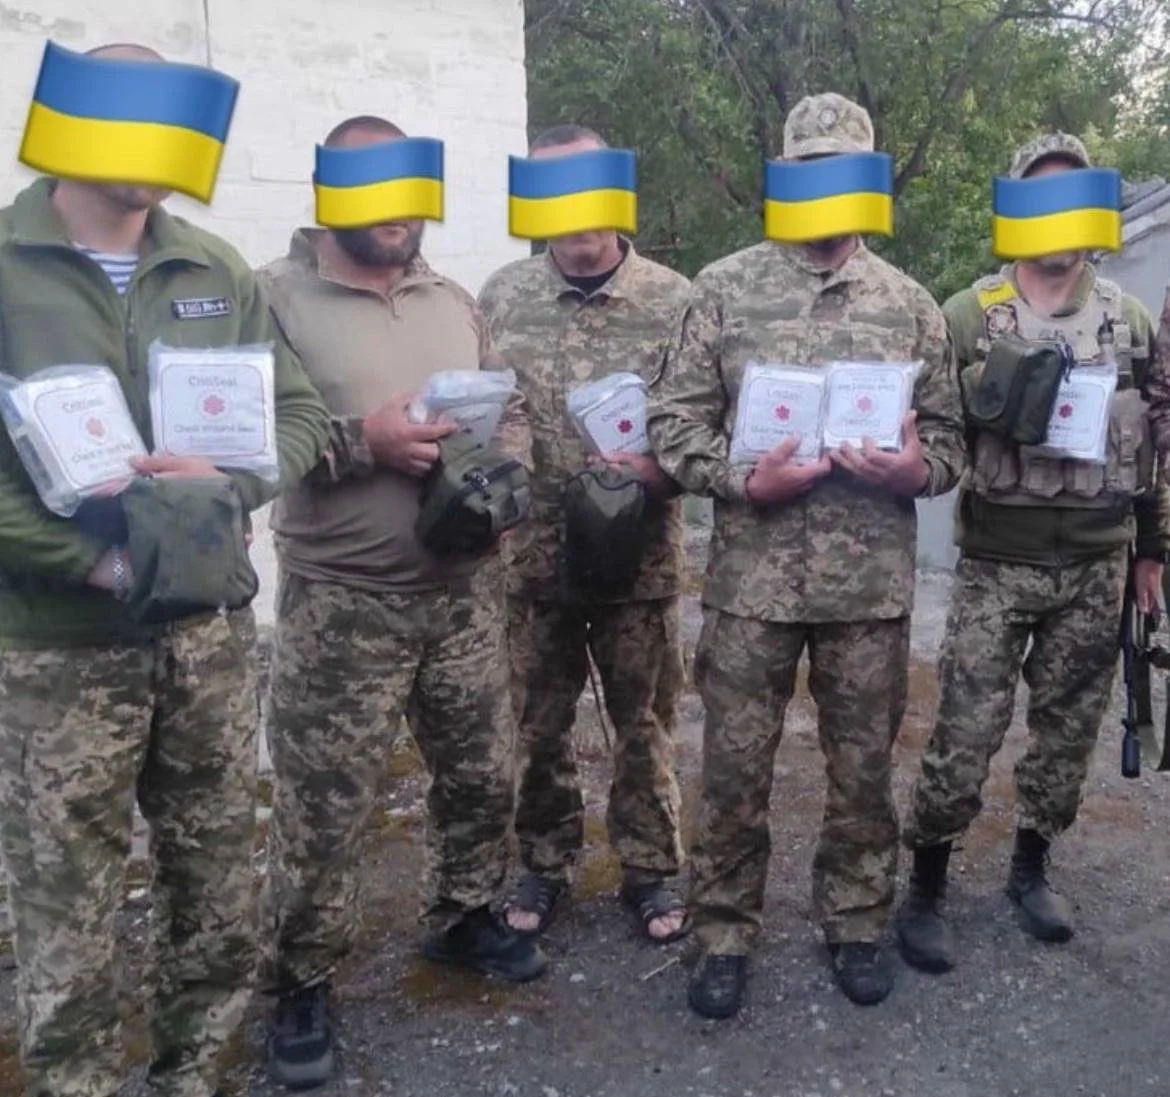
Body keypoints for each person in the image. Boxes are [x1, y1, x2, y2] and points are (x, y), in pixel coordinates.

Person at [0, 41, 340, 1097]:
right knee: (68, 903)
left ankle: (196, 1074)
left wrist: (229, 490)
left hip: (205, 644)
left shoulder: (214, 268)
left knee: (213, 883)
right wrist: (100, 563)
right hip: (61, 653)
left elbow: (299, 413)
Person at [646, 92, 966, 1019]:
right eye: (809, 169)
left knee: (863, 771)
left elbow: (948, 442)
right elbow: (673, 426)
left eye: (842, 170)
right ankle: (721, 932)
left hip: (868, 590)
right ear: (788, 177)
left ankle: (859, 920)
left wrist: (915, 468)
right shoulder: (723, 289)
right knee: (736, 772)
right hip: (753, 586)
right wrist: (744, 479)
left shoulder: (909, 306)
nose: (826, 188)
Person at [256, 113, 543, 1091]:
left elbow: (507, 407)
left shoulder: (452, 296)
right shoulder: (273, 298)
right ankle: (302, 977)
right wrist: (359, 441)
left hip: (463, 593)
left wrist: (509, 480)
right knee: (325, 804)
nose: (398, 214)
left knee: (481, 772)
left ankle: (465, 914)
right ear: (327, 189)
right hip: (343, 602)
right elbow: (253, 438)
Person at [895, 133, 1170, 973]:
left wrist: (1152, 553)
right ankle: (928, 885)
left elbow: (1156, 444)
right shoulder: (969, 315)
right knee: (966, 730)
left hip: (1097, 564)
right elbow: (929, 430)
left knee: (1064, 734)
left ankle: (1030, 870)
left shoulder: (1130, 321)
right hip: (995, 564)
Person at [477, 123, 692, 945]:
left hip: (640, 556)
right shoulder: (500, 297)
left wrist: (659, 464)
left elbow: (702, 415)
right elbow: (489, 407)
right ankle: (544, 858)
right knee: (535, 722)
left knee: (645, 722)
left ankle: (650, 867)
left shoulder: (674, 300)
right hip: (533, 558)